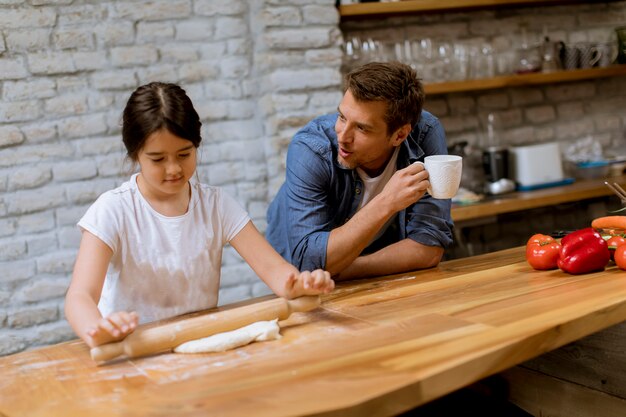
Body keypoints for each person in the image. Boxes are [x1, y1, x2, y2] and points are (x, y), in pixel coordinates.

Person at [65, 82, 335, 348]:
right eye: (158, 159)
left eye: (184, 154)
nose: (173, 169)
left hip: (198, 345)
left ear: (197, 145)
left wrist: (300, 283)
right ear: (136, 154)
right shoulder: (113, 210)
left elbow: (274, 270)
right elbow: (80, 296)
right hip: (134, 350)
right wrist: (96, 328)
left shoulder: (215, 204)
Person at [266, 61, 454, 281]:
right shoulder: (311, 149)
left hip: (367, 267)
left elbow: (428, 247)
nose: (343, 136)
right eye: (342, 117)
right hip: (292, 274)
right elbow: (308, 262)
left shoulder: (424, 134)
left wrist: (345, 269)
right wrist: (386, 202)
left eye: (362, 128)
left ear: (399, 135)